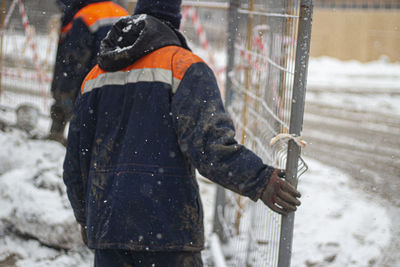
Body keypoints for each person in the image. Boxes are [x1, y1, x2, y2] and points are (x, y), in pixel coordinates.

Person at [63, 0, 301, 266]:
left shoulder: (96, 76)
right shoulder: (183, 66)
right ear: (175, 21)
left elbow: (75, 161)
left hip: (109, 231)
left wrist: (86, 217)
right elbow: (210, 147)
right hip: (167, 231)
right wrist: (260, 179)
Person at [48, 0, 128, 144]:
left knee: (79, 134)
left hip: (87, 85)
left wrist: (64, 89)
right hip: (115, 87)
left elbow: (74, 59)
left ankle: (59, 139)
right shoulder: (123, 14)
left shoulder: (85, 15)